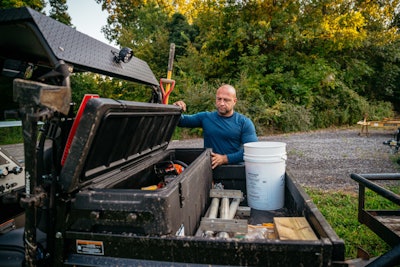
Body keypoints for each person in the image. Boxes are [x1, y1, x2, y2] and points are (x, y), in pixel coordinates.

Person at [173, 84, 258, 169]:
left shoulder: (244, 122)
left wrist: (224, 159)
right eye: (219, 99)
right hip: (210, 170)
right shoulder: (205, 117)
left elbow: (252, 150)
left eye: (226, 100)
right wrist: (176, 109)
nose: (221, 103)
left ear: (234, 101)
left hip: (235, 171)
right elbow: (181, 121)